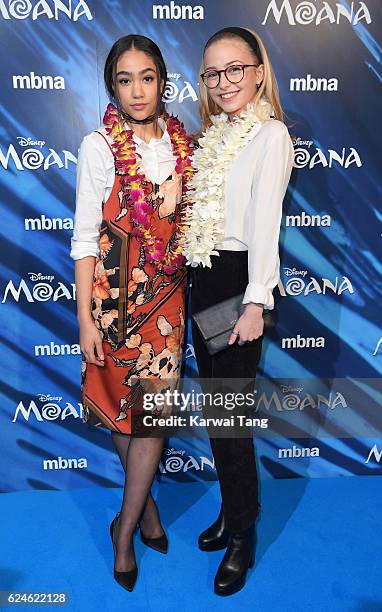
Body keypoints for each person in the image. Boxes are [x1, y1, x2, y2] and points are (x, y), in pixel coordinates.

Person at [70, 34, 192, 592]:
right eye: (125, 79)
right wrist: (85, 320)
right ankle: (143, 512)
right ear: (111, 86)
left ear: (163, 81)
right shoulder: (98, 145)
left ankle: (123, 532)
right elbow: (84, 239)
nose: (137, 90)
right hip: (112, 298)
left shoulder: (184, 144)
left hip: (166, 299)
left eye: (147, 77)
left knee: (152, 418)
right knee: (120, 408)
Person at [183, 27, 294, 596]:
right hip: (202, 278)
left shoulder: (270, 135)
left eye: (233, 69)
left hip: (237, 282)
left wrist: (256, 300)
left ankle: (243, 537)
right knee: (216, 416)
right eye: (212, 73)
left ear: (257, 72)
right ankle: (231, 512)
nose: (223, 82)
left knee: (230, 422)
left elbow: (265, 224)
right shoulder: (214, 134)